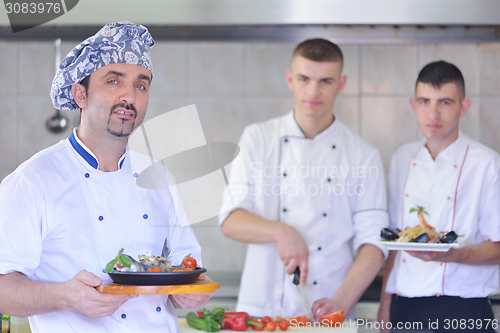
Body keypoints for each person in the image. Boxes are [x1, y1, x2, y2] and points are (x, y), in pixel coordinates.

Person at [0, 22, 212, 332]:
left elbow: (188, 269)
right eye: (113, 81)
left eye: (141, 85)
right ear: (80, 95)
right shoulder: (33, 181)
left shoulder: (159, 177)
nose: (130, 96)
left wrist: (193, 293)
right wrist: (66, 297)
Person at [219, 39, 389, 320]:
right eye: (304, 79)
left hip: (330, 309)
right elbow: (230, 220)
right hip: (263, 311)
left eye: (325, 81)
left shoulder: (362, 154)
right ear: (289, 79)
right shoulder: (258, 138)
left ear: (341, 83)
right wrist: (282, 232)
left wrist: (340, 304)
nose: (313, 91)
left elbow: (374, 243)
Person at [378, 60, 500, 332]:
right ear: (413, 105)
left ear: (463, 107)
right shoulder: (402, 158)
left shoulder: (487, 163)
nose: (432, 113)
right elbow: (395, 241)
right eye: (424, 101)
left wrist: (451, 256)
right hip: (405, 305)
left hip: (465, 309)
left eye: (445, 102)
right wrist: (385, 301)